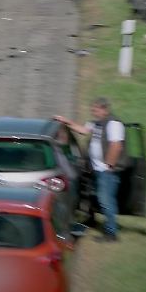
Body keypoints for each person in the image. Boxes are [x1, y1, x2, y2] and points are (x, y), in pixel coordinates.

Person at [56, 97, 127, 241]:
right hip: (95, 169)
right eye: (92, 110)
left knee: (106, 201)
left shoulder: (113, 124)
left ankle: (111, 233)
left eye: (95, 110)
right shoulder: (96, 123)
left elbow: (116, 146)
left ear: (104, 109)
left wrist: (108, 166)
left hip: (106, 171)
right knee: (98, 198)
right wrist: (65, 121)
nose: (93, 112)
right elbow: (82, 130)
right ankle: (99, 223)